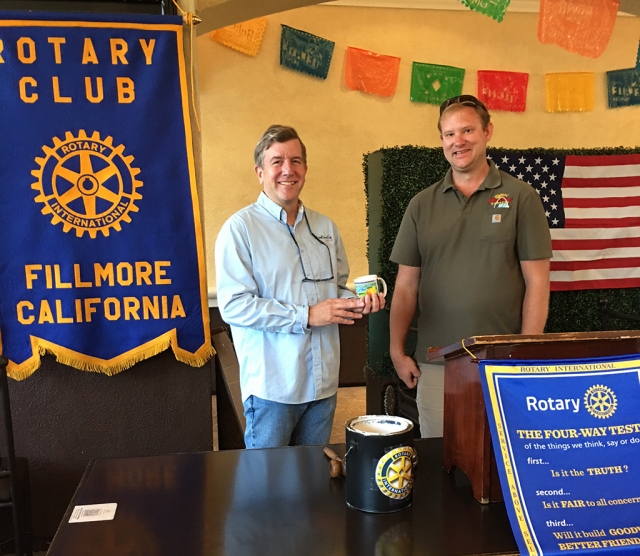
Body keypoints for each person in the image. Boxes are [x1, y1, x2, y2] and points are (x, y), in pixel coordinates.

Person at [389, 95, 552, 438]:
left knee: (500, 456)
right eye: (449, 134)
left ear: (487, 131)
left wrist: (524, 350)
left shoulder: (522, 197)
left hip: (502, 361)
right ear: (441, 141)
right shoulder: (421, 204)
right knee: (439, 457)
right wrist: (396, 350)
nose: (457, 141)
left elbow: (537, 282)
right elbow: (405, 285)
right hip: (437, 364)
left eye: (467, 130)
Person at [215, 124, 385, 449]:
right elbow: (235, 305)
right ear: (260, 172)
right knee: (267, 489)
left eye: (295, 161)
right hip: (273, 389)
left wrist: (358, 303)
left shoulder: (325, 228)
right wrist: (306, 315)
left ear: (305, 169)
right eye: (276, 161)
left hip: (323, 386)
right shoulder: (240, 230)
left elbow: (336, 290)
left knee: (312, 484)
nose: (287, 170)